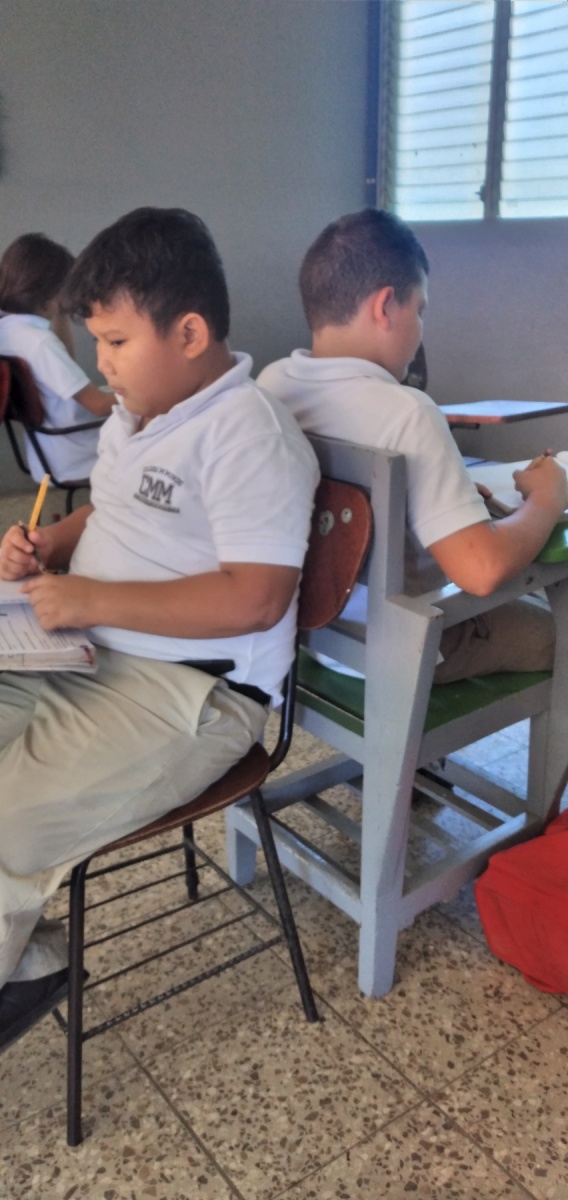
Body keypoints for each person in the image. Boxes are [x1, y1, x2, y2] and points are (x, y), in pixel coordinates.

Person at [0, 206, 319, 1050]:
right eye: (95, 342)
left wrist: (92, 601)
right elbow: (110, 508)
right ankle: (26, 956)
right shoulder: (136, 413)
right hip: (87, 654)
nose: (100, 363)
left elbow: (256, 599)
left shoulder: (246, 434)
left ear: (189, 333)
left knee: (5, 819)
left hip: (191, 694)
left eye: (114, 342)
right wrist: (50, 543)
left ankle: (25, 968)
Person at [257, 208, 568, 684]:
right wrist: (546, 500)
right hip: (402, 648)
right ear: (385, 306)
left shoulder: (273, 383)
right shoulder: (408, 412)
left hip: (312, 634)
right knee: (558, 630)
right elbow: (481, 570)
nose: (421, 327)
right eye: (419, 310)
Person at [0, 232, 114, 482]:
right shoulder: (39, 342)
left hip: (48, 452)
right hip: (78, 454)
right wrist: (150, 394)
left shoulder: (10, 331)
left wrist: (60, 314)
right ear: (48, 291)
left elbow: (65, 361)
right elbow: (98, 405)